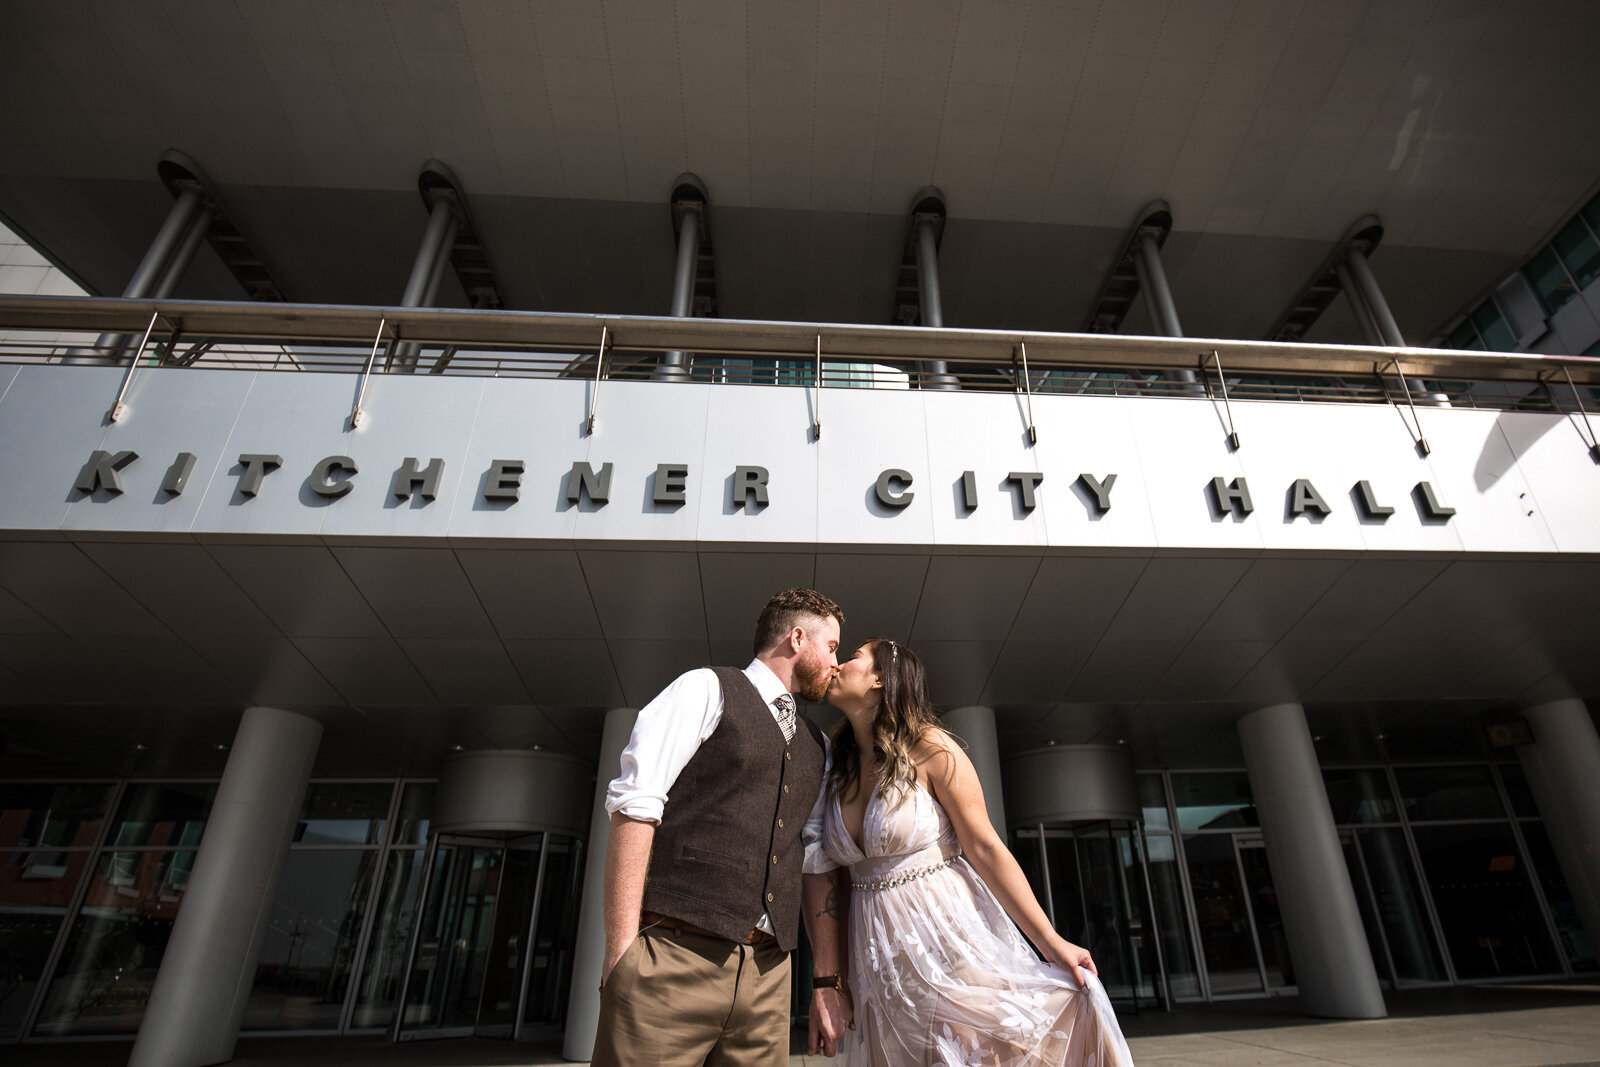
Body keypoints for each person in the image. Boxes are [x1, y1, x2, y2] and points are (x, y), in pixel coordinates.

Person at [807, 637, 1135, 1067]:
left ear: (881, 680)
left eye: (852, 658)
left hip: (948, 937)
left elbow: (985, 848)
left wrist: (1051, 942)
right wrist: (833, 979)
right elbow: (831, 877)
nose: (837, 665)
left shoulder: (932, 748)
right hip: (878, 957)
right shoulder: (834, 769)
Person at [593, 587, 855, 1067]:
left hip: (769, 977)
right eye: (832, 647)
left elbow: (815, 860)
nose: (836, 662)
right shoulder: (704, 689)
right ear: (797, 638)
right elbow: (635, 807)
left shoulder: (819, 745)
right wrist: (622, 955)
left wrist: (825, 981)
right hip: (672, 959)